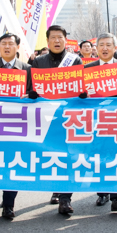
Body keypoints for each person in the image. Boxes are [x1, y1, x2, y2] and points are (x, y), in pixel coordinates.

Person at [33, 25, 82, 215]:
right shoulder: (38, 62)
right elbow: (33, 86)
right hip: (46, 117)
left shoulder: (75, 60)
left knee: (68, 156)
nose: (56, 41)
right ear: (47, 41)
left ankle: (65, 199)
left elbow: (80, 85)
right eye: (53, 37)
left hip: (68, 117)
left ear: (65, 40)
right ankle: (56, 188)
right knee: (52, 156)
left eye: (60, 37)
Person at [0, 32, 32, 219]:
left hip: (18, 124)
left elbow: (35, 92)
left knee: (12, 161)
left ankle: (8, 204)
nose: (6, 47)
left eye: (10, 44)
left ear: (17, 47)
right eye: (3, 43)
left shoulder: (28, 69)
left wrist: (30, 96)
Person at [86, 33, 117, 213]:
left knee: (116, 157)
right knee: (99, 157)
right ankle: (102, 193)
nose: (105, 48)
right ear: (96, 48)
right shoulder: (88, 68)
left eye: (108, 45)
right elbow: (81, 92)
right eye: (101, 45)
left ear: (114, 47)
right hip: (95, 121)